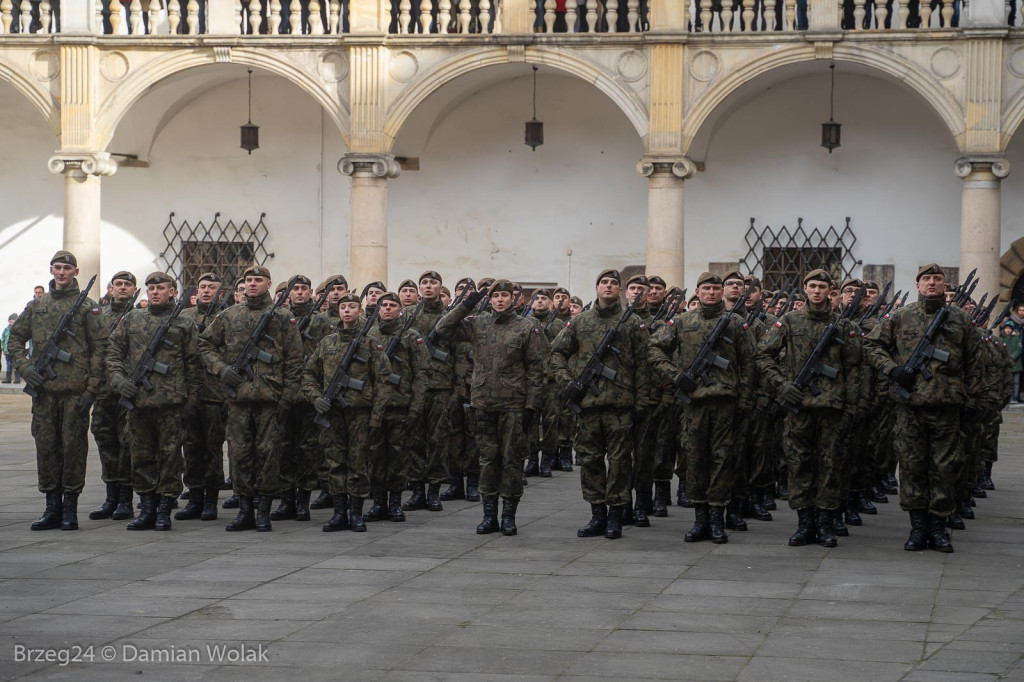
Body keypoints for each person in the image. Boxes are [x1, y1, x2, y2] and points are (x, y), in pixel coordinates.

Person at [863, 264, 983, 553]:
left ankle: (939, 528)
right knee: (913, 468)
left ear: (945, 286)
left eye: (937, 279)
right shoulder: (901, 317)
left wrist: (972, 402)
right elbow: (871, 346)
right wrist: (893, 370)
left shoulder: (960, 319)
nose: (932, 283)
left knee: (944, 468)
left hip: (947, 408)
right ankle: (918, 528)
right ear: (917, 285)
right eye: (926, 279)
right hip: (910, 406)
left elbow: (975, 363)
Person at [756, 269, 861, 548]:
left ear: (831, 291)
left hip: (832, 407)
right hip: (799, 407)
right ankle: (805, 524)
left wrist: (850, 406)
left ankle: (826, 524)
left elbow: (854, 368)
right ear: (804, 288)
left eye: (822, 287)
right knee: (799, 464)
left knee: (829, 466)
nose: (817, 291)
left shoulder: (843, 325)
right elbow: (763, 355)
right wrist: (782, 385)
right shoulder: (789, 321)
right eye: (812, 286)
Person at [649, 271, 754, 544]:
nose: (711, 293)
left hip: (725, 402)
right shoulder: (682, 321)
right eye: (706, 288)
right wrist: (675, 376)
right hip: (694, 403)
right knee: (695, 459)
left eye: (716, 288)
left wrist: (743, 398)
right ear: (697, 291)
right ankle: (700, 519)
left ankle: (718, 518)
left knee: (722, 460)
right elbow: (654, 349)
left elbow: (750, 363)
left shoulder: (736, 323)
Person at [198, 266, 303, 532]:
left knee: (269, 454)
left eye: (258, 280)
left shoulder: (282, 316)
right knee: (240, 454)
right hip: (239, 399)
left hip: (271, 398)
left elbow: (294, 359)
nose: (252, 284)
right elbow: (204, 344)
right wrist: (221, 369)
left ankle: (264, 510)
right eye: (248, 281)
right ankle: (245, 510)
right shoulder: (230, 315)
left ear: (269, 283)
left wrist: (287, 397)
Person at [435, 280, 545, 535]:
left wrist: (532, 406)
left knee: (511, 461)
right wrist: (466, 304)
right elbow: (442, 328)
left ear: (514, 298)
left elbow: (536, 370)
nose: (499, 300)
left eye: (504, 295)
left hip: (513, 405)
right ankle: (489, 515)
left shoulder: (526, 327)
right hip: (483, 402)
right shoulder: (477, 323)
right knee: (487, 461)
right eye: (495, 296)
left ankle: (508, 515)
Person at [550, 269, 651, 540]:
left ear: (619, 291)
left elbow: (643, 364)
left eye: (614, 284)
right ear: (596, 288)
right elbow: (557, 353)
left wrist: (641, 402)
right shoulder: (581, 322)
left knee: (619, 463)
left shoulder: (632, 323)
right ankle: (597, 514)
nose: (609, 286)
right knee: (591, 461)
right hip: (588, 405)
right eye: (604, 283)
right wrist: (567, 381)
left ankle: (616, 516)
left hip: (621, 405)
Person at [9, 251, 102, 531]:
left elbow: (101, 349)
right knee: (47, 448)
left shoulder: (88, 307)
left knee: (73, 450)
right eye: (58, 268)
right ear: (51, 270)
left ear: (75, 272)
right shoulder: (37, 306)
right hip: (45, 392)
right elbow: (14, 339)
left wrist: (92, 388)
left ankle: (70, 508)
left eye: (67, 268)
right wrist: (25, 369)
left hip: (75, 393)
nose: (62, 273)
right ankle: (52, 507)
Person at [106, 272, 202, 531]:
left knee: (171, 458)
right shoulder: (132, 320)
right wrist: (120, 381)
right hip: (138, 403)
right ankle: (146, 508)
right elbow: (113, 354)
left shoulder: (183, 323)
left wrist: (191, 399)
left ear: (173, 291)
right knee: (141, 456)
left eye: (161, 288)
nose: (155, 292)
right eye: (151, 288)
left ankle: (164, 509)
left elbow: (194, 363)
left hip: (171, 403)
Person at [303, 292, 390, 532]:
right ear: (339, 312)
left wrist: (376, 415)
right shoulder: (327, 343)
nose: (347, 311)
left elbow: (383, 381)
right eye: (344, 307)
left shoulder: (370, 344)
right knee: (335, 462)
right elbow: (308, 374)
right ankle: (339, 513)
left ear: (359, 311)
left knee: (358, 462)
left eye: (352, 307)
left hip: (359, 413)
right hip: (333, 414)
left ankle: (356, 513)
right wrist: (316, 398)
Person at [367, 291, 428, 521]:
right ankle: (378, 503)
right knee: (375, 456)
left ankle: (395, 503)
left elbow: (421, 374)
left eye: (393, 305)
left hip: (400, 405)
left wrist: (415, 406)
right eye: (384, 305)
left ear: (400, 309)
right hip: (374, 407)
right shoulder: (369, 335)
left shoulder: (410, 336)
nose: (388, 309)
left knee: (398, 456)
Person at [87, 271, 138, 521]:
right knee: (105, 439)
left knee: (127, 443)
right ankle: (111, 496)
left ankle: (125, 499)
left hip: (129, 391)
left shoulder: (140, 316)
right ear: (111, 289)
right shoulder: (99, 315)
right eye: (118, 284)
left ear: (134, 289)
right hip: (104, 391)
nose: (122, 288)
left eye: (128, 284)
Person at [2, 313, 20, 384]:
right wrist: (3, 349)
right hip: (7, 351)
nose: (11, 321)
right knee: (8, 365)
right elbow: (3, 339)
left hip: (15, 351)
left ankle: (17, 379)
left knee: (16, 365)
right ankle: (8, 379)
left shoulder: (19, 329)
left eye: (12, 319)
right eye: (10, 319)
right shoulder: (6, 329)